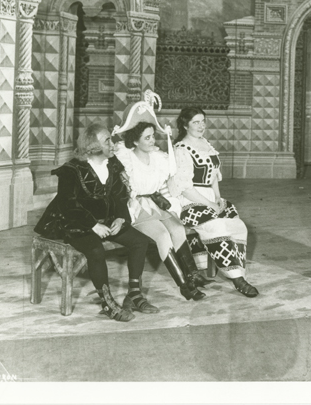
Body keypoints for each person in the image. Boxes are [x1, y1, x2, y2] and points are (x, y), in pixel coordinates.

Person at [34, 123, 158, 322]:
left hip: (107, 221)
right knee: (96, 250)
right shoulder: (71, 170)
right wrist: (93, 225)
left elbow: (120, 196)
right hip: (74, 223)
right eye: (107, 141)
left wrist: (120, 218)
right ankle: (107, 303)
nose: (113, 144)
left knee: (140, 241)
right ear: (92, 146)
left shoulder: (113, 164)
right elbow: (67, 205)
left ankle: (134, 294)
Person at [112, 96, 209, 302]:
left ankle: (192, 276)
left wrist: (173, 205)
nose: (152, 141)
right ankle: (183, 286)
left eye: (152, 136)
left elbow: (166, 181)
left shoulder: (157, 157)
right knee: (163, 236)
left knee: (178, 229)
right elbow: (121, 189)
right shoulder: (126, 159)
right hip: (137, 208)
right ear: (135, 141)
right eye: (147, 138)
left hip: (157, 203)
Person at [169, 107, 259, 298]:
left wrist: (217, 197)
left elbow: (214, 177)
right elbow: (185, 188)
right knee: (218, 228)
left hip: (209, 197)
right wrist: (210, 205)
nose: (201, 126)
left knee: (238, 226)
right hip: (190, 201)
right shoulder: (182, 149)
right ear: (185, 125)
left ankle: (232, 268)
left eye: (203, 121)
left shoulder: (205, 143)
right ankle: (237, 279)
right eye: (196, 122)